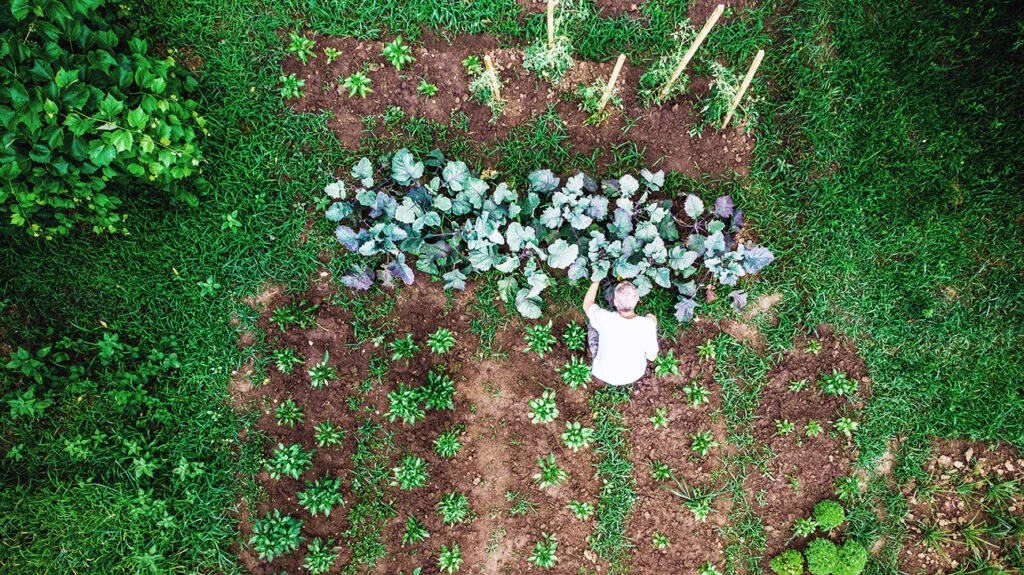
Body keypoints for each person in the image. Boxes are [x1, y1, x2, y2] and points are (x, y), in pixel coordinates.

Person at [582, 280, 659, 387]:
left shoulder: (605, 318)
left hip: (602, 372)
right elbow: (652, 357)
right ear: (637, 299)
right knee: (651, 317)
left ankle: (592, 353)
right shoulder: (647, 325)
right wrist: (652, 323)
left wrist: (596, 280)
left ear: (615, 302)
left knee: (593, 322)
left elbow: (587, 304)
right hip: (633, 374)